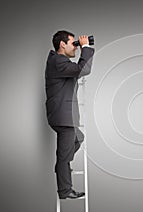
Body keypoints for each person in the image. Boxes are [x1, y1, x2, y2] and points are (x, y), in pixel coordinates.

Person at [45, 30, 94, 199]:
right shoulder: (58, 61)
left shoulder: (59, 61)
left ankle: (62, 166)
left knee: (78, 138)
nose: (75, 47)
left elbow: (78, 70)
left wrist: (82, 48)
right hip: (62, 116)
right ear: (62, 44)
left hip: (64, 115)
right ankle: (65, 190)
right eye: (73, 43)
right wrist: (85, 46)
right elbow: (83, 69)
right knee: (64, 156)